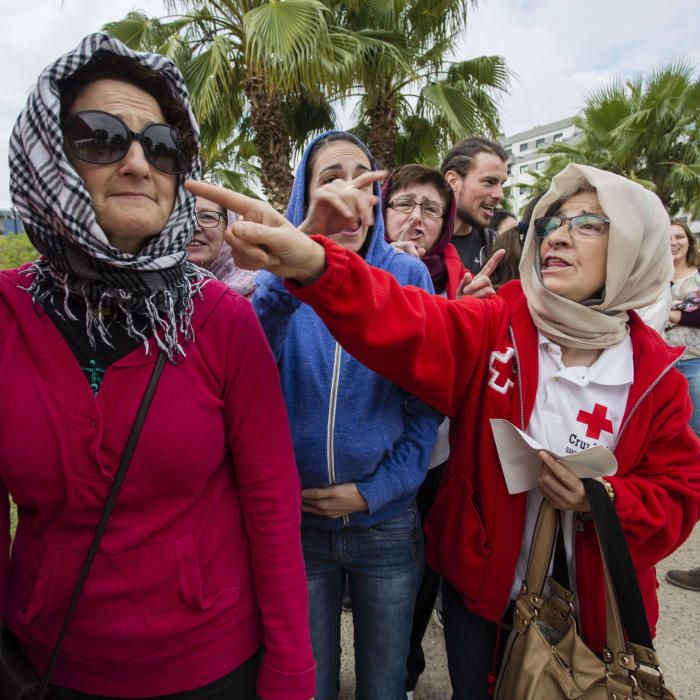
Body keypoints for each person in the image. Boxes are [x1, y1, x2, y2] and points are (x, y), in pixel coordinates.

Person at [188, 162, 700, 700]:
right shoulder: (497, 323)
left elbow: (678, 496)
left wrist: (603, 497)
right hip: (485, 602)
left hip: (598, 613)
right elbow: (406, 319)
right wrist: (315, 263)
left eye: (589, 223)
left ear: (635, 247)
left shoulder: (656, 375)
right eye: (550, 223)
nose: (559, 236)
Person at [2, 33, 314, 699]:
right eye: (100, 137)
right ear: (49, 157)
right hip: (52, 665)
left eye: (163, 146)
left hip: (212, 667)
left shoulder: (220, 320)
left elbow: (272, 506)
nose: (140, 163)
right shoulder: (5, 317)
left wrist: (291, 673)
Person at [251, 132, 440, 700]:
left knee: (384, 684)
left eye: (365, 175)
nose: (352, 188)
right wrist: (295, 266)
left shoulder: (408, 278)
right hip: (300, 526)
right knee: (312, 684)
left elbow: (424, 406)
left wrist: (376, 490)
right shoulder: (276, 282)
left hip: (385, 524)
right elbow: (251, 365)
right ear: (304, 197)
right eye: (331, 176)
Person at [381, 163, 463, 696]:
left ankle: (404, 672)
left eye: (430, 209)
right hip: (363, 454)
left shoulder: (460, 282)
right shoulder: (350, 266)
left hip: (431, 455)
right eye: (404, 204)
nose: (416, 218)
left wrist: (456, 315)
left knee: (420, 571)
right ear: (381, 212)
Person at [440, 136, 508, 274]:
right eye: (489, 181)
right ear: (453, 181)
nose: (500, 195)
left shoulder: (495, 247)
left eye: (502, 184)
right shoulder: (416, 240)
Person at [664, 218, 700, 435]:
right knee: (667, 427)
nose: (674, 243)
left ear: (689, 240)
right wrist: (685, 313)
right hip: (661, 362)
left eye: (679, 236)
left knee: (695, 426)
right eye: (668, 238)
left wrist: (671, 315)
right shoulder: (655, 277)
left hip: (694, 361)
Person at [188, 194, 258, 297]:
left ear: (229, 226)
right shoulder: (160, 293)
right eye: (183, 218)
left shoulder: (265, 295)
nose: (193, 227)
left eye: (207, 216)